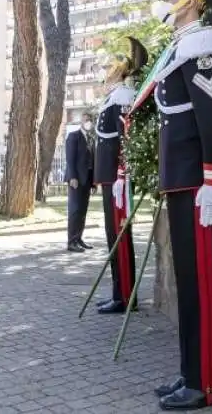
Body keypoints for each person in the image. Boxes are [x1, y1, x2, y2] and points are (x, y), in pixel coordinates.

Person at [146, 0, 212, 410]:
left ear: (189, 3)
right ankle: (191, 371)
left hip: (198, 183)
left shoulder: (202, 48)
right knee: (189, 283)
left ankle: (206, 385)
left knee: (203, 283)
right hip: (182, 182)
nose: (165, 4)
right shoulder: (184, 47)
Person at [93, 37, 148, 314]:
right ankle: (119, 292)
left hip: (117, 180)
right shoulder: (113, 96)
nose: (104, 72)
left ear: (118, 70)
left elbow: (126, 139)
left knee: (120, 237)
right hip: (109, 178)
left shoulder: (123, 97)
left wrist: (121, 175)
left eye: (107, 68)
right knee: (112, 235)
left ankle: (126, 296)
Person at [65, 113, 95, 252]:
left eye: (90, 120)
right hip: (76, 179)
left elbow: (92, 161)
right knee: (75, 210)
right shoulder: (74, 136)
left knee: (83, 210)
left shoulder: (91, 138)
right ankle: (71, 241)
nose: (88, 122)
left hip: (87, 179)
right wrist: (72, 177)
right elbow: (70, 159)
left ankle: (78, 238)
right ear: (81, 121)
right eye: (86, 120)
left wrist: (94, 182)